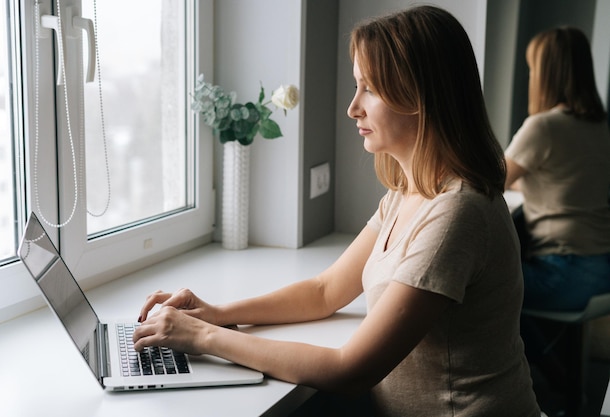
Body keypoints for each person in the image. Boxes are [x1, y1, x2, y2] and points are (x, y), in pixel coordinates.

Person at [133, 6, 540, 416]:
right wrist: (217, 313)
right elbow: (325, 291)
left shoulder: (457, 214)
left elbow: (351, 371)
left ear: (421, 97)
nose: (353, 108)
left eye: (370, 89)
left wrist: (202, 337)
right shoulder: (407, 193)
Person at [504, 26, 610, 312]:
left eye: (532, 69)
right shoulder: (600, 126)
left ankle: (538, 358)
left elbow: (490, 179)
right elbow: (560, 181)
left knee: (483, 285)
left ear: (545, 75)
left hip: (564, 272)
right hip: (601, 268)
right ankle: (545, 357)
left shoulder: (544, 126)